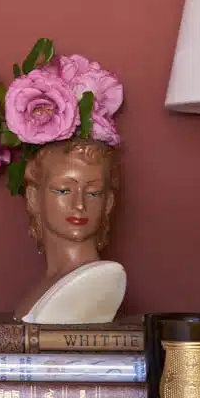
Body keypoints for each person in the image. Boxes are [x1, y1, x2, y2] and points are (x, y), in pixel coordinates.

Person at [14, 137, 125, 322]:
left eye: (93, 193)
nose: (80, 205)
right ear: (33, 198)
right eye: (63, 190)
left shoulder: (99, 281)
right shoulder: (48, 285)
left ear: (108, 203)